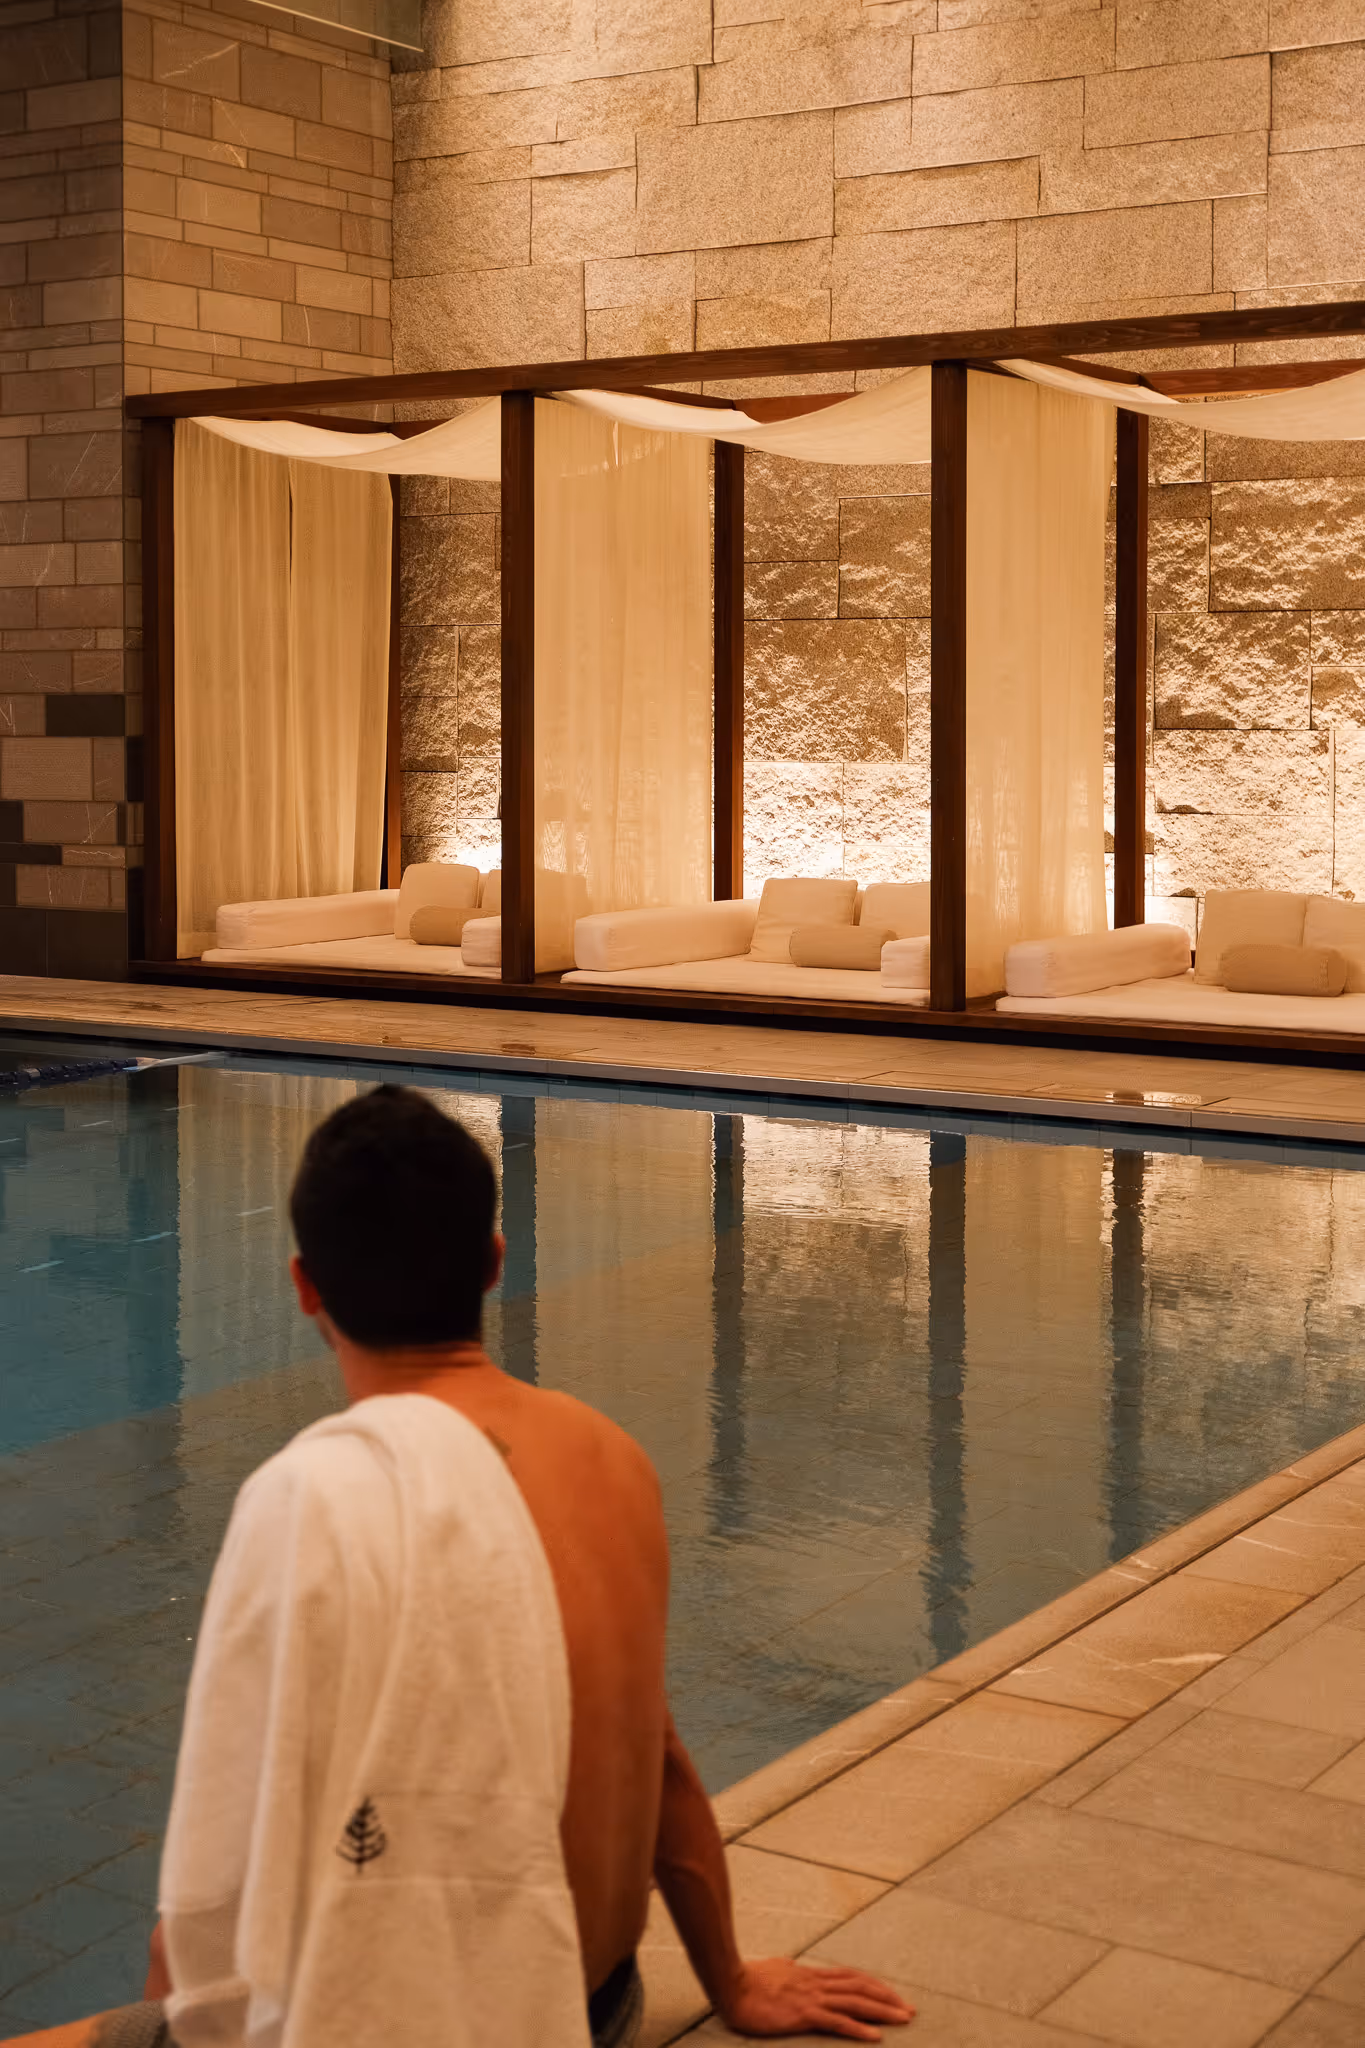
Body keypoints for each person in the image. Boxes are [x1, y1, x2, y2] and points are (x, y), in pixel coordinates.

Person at [8, 1088, 911, 2048]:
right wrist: (729, 1981)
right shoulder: (613, 1458)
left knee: (162, 1975)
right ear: (492, 1264)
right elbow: (658, 1757)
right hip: (596, 2013)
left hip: (440, 2022)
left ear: (305, 1285)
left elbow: (225, 1878)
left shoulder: (309, 1493)